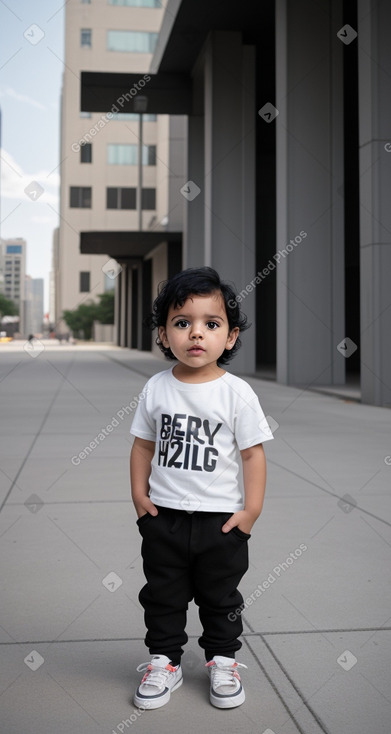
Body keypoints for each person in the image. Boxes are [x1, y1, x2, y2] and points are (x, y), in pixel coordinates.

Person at [129, 266, 274, 711]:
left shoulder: (237, 394)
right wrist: (140, 497)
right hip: (165, 519)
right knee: (162, 594)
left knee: (221, 597)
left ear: (229, 338)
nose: (197, 334)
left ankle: (223, 660)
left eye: (211, 324)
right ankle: (164, 662)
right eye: (182, 322)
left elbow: (253, 455)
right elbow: (142, 447)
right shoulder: (156, 388)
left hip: (221, 521)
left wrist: (250, 513)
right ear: (163, 334)